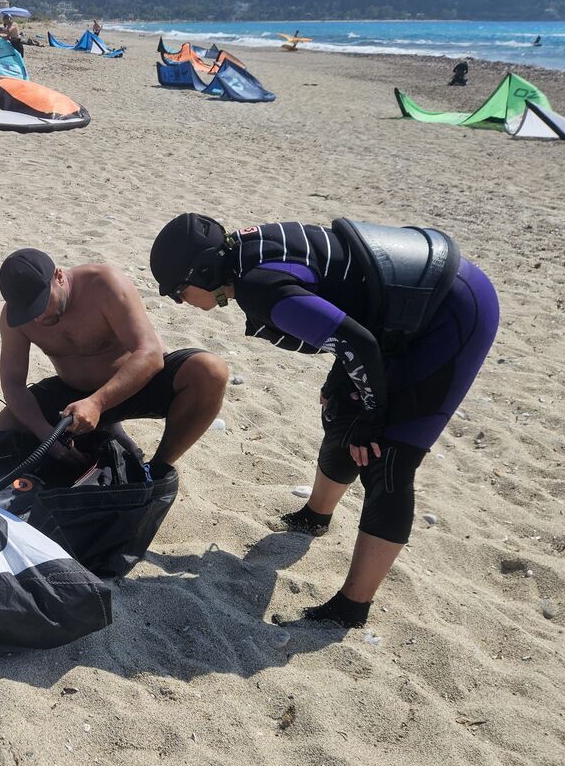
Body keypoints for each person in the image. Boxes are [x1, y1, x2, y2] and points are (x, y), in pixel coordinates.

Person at [150, 215, 499, 628]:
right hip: (396, 309)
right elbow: (346, 314)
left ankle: (352, 607)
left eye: (177, 292)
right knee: (340, 411)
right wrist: (351, 396)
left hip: (451, 310)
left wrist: (373, 415)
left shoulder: (258, 287)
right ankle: (315, 516)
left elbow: (357, 342)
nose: (178, 302)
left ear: (204, 272)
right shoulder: (245, 257)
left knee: (389, 460)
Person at [0, 248, 229, 473]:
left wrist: (97, 403)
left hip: (135, 384)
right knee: (4, 426)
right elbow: (13, 384)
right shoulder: (14, 319)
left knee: (210, 371)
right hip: (74, 396)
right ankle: (104, 434)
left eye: (41, 304)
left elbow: (150, 353)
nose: (38, 317)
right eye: (28, 312)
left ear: (59, 276)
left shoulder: (103, 285)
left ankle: (158, 467)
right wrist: (47, 436)